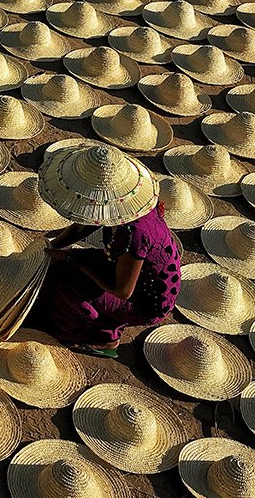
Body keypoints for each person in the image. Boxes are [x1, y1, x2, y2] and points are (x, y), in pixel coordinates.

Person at [33, 142, 181, 358]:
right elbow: (85, 224)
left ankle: (100, 337)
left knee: (68, 287)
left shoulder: (135, 233)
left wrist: (72, 258)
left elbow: (123, 290)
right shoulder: (122, 208)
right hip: (121, 266)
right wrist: (53, 246)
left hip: (144, 299)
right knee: (58, 269)